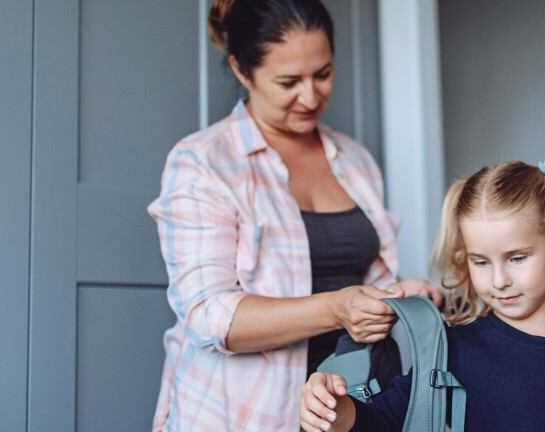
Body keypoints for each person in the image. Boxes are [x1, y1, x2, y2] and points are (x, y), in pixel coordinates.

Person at [146, 0, 441, 430]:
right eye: (288, 81)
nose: (310, 96)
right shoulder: (204, 161)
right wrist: (337, 307)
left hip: (353, 407)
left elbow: (365, 289)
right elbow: (210, 314)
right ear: (243, 72)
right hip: (242, 415)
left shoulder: (356, 162)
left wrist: (399, 297)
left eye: (322, 74)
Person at [299, 155, 545, 432]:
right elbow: (380, 420)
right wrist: (335, 410)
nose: (500, 280)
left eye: (517, 258)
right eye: (481, 262)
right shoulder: (451, 351)